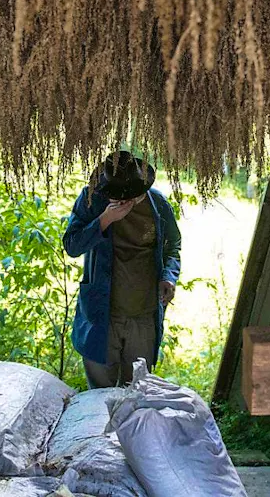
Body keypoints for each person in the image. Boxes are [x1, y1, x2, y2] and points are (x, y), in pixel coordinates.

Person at [62, 150, 182, 388]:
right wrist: (105, 220)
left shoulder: (157, 204)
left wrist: (169, 276)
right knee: (100, 398)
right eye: (119, 195)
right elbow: (72, 245)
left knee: (137, 392)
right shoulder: (92, 200)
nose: (127, 199)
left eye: (134, 195)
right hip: (102, 315)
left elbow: (174, 244)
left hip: (144, 314)